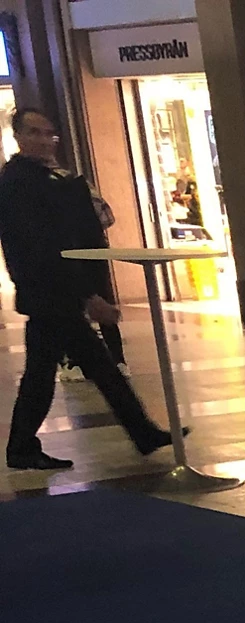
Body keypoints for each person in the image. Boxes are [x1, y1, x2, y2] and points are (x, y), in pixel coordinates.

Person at [0, 106, 170, 471]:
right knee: (58, 372)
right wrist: (87, 296)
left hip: (54, 291)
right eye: (35, 133)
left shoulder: (48, 177)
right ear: (19, 137)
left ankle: (142, 433)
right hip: (48, 292)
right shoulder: (18, 181)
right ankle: (23, 448)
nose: (45, 141)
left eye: (49, 134)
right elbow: (40, 245)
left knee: (74, 368)